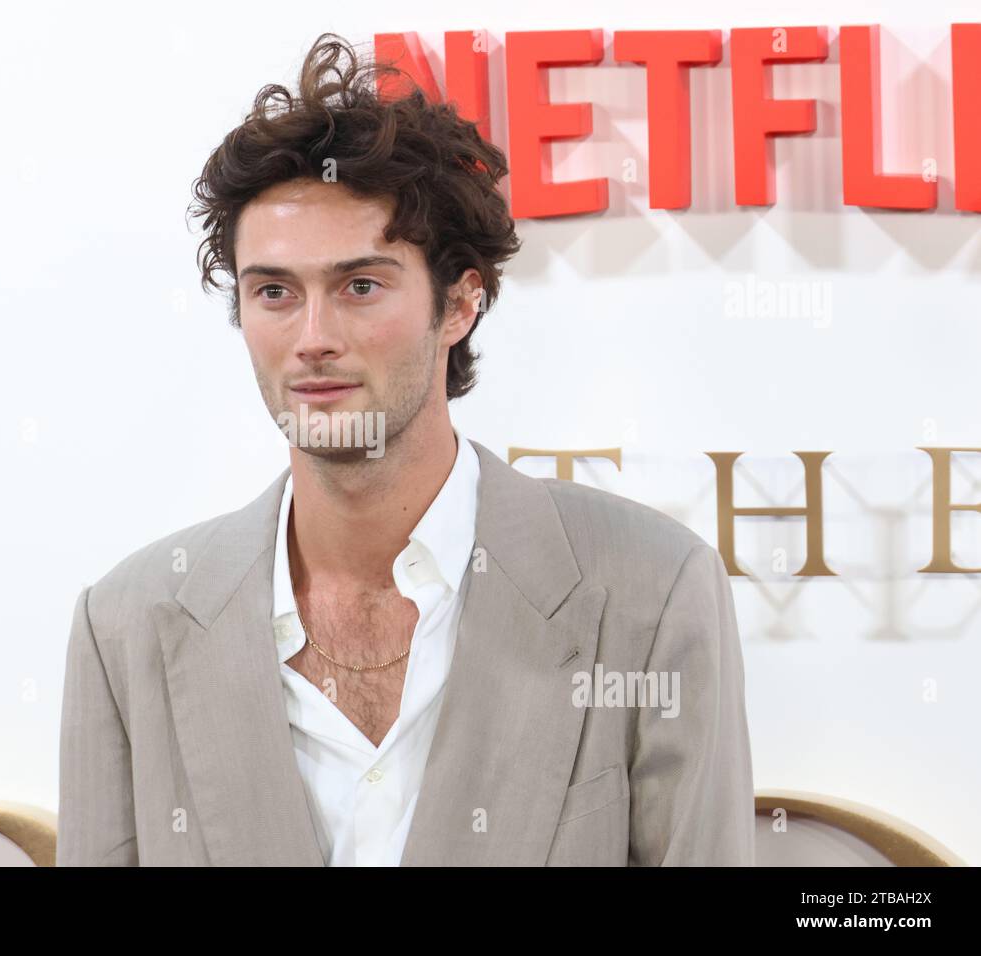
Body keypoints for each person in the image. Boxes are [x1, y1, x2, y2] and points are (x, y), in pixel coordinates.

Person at [58, 32, 754, 866]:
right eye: (274, 292)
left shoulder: (651, 592)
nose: (313, 339)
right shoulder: (127, 625)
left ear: (459, 305)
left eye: (360, 286)